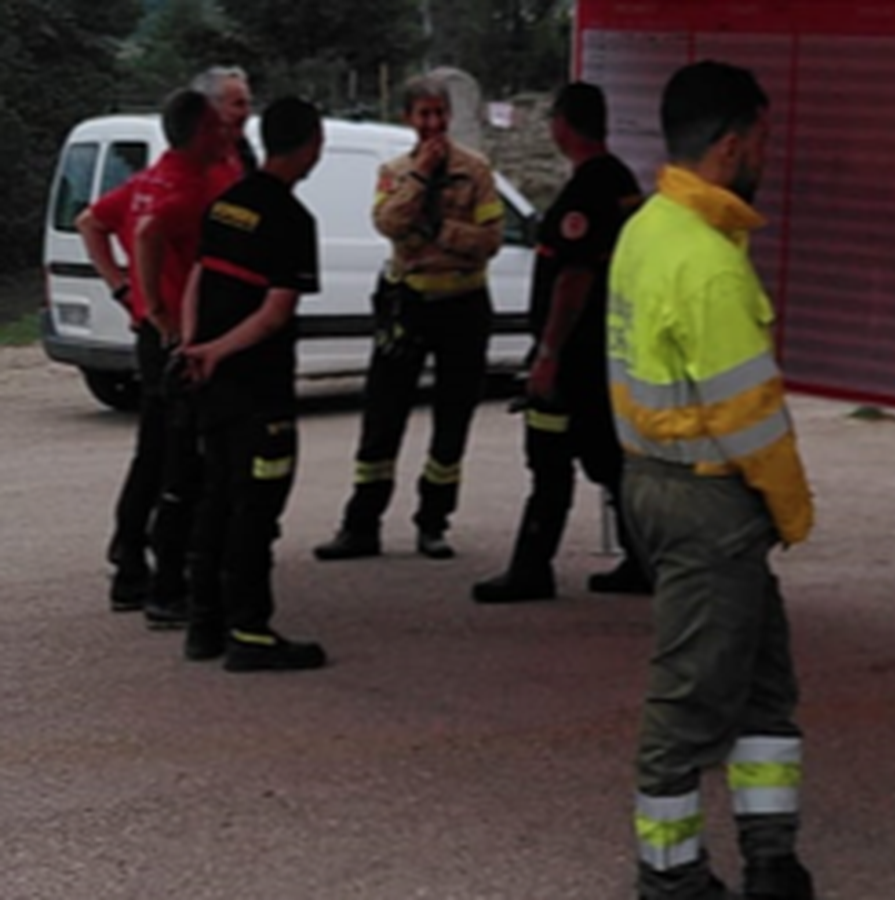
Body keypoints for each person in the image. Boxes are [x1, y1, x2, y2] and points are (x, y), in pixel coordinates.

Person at [609, 61, 816, 900]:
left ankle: (773, 858)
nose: (769, 153)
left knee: (764, 684)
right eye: (763, 138)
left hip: (657, 480)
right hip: (708, 499)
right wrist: (792, 512)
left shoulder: (648, 228)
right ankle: (669, 875)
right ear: (731, 146)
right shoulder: (709, 263)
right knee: (689, 699)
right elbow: (751, 420)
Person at [314, 74, 504, 562]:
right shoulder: (395, 171)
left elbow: (489, 240)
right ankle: (361, 525)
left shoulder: (476, 170)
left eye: (439, 113)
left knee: (452, 419)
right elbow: (387, 223)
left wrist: (436, 231)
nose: (433, 123)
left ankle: (433, 522)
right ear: (408, 118)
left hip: (463, 305)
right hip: (408, 304)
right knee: (382, 415)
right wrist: (420, 176)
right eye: (424, 114)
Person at [473, 82, 650, 604]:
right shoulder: (620, 181)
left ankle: (532, 568)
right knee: (608, 460)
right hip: (604, 352)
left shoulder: (585, 193)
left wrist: (548, 354)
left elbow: (574, 278)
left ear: (563, 125)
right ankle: (642, 561)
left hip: (573, 355)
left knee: (549, 459)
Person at [178, 97, 328, 672]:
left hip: (211, 384)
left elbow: (197, 277)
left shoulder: (227, 204)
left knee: (216, 498)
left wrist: (192, 345)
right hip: (259, 389)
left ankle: (204, 625)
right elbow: (275, 312)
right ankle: (250, 630)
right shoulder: (292, 220)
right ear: (312, 144)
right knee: (256, 508)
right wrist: (217, 350)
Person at [76, 89, 231, 627]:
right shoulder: (186, 186)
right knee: (180, 458)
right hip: (175, 334)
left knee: (154, 450)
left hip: (154, 332)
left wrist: (127, 293)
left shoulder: (149, 180)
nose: (226, 132)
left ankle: (129, 561)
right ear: (200, 132)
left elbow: (90, 222)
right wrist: (156, 308)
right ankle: (165, 579)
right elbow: (145, 234)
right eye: (219, 123)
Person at [191, 65, 258, 175]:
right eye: (238, 104)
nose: (247, 112)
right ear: (210, 107)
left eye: (249, 104)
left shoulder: (242, 152)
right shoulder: (192, 161)